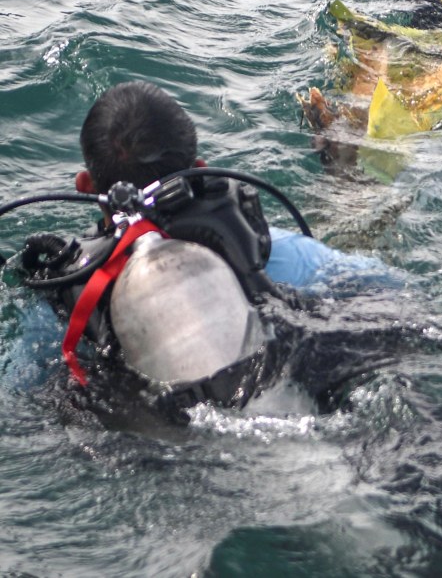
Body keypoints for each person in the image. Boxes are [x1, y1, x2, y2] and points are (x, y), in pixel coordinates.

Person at [14, 81, 398, 412]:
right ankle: (344, 163)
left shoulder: (69, 293)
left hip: (169, 451)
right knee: (350, 224)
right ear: (200, 167)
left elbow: (25, 391)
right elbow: (387, 289)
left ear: (84, 186)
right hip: (300, 402)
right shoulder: (273, 251)